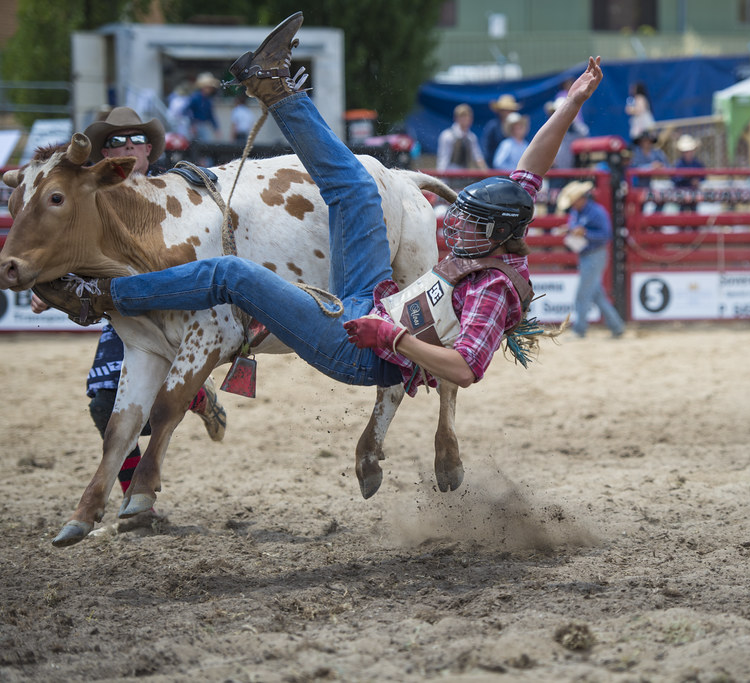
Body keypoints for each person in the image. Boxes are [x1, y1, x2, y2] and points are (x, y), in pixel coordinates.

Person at [35, 13, 604, 403]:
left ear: (500, 238)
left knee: (233, 273)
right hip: (374, 295)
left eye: (474, 224)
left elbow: (466, 368)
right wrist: (571, 102)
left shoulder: (494, 291)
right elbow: (532, 168)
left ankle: (99, 295)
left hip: (364, 351)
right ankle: (273, 85)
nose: (459, 223)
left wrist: (392, 340)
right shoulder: (506, 219)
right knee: (355, 185)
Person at [32, 106, 228, 502]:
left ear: (150, 151)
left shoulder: (180, 192)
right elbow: (72, 248)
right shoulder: (89, 198)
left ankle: (191, 396)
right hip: (124, 315)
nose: (128, 146)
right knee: (106, 406)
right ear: (103, 155)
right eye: (115, 141)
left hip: (190, 314)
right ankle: (135, 496)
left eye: (137, 138)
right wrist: (50, 284)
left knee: (149, 405)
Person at [557, 180, 625, 339]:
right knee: (596, 294)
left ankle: (580, 330)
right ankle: (617, 326)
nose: (572, 205)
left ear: (581, 198)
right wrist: (570, 230)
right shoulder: (578, 212)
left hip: (595, 255)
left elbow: (606, 236)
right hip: (588, 255)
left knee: (583, 294)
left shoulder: (596, 212)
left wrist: (585, 233)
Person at [436, 103, 486, 172]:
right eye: (463, 116)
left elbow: (478, 158)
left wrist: (485, 172)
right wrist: (441, 177)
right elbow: (443, 159)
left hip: (465, 175)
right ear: (456, 118)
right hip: (449, 174)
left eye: (468, 116)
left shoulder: (471, 137)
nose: (466, 119)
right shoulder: (447, 135)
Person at [482, 94, 521, 168]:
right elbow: (487, 149)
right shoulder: (492, 126)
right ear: (499, 111)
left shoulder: (518, 127)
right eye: (504, 110)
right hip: (494, 170)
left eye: (510, 110)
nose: (507, 112)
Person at [187, 72, 221, 142]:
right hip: (195, 125)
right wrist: (192, 124)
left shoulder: (208, 100)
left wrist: (216, 128)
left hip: (204, 125)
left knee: (205, 145)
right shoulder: (195, 97)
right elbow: (188, 111)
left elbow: (211, 115)